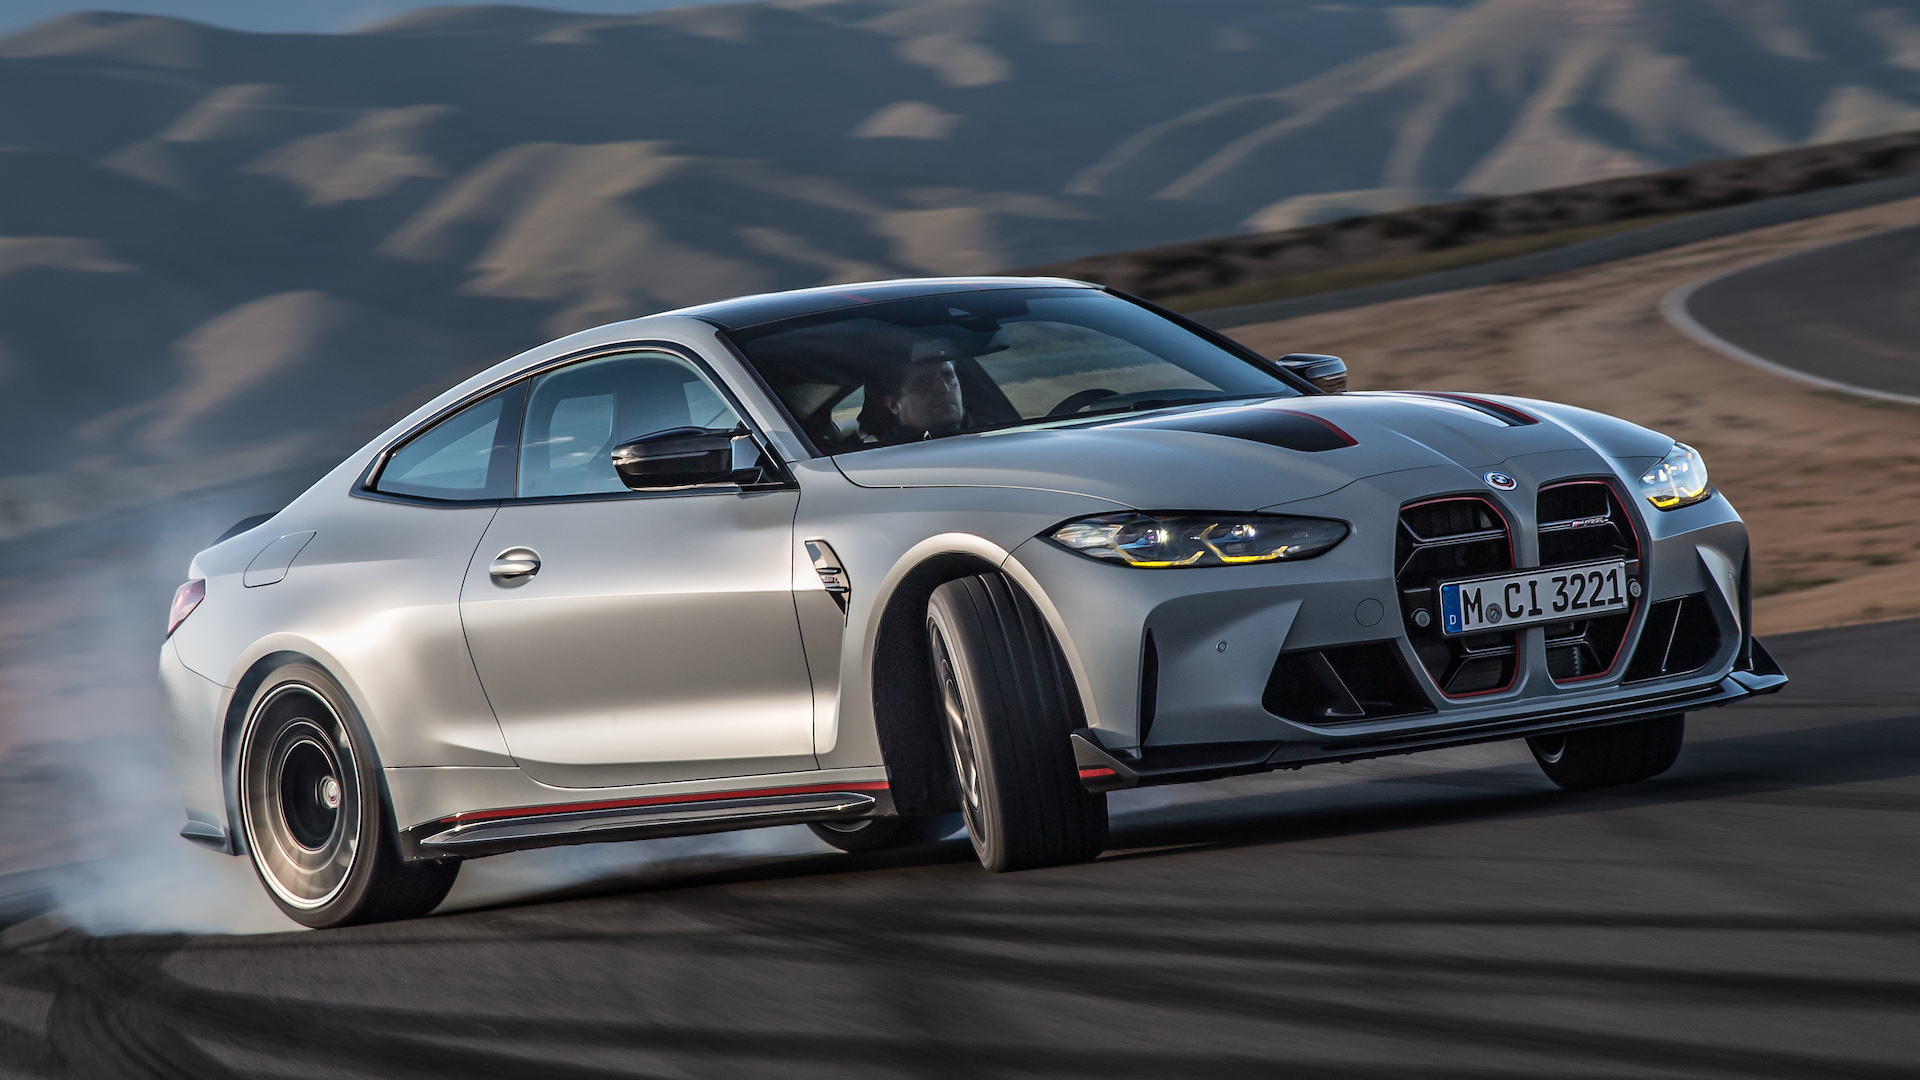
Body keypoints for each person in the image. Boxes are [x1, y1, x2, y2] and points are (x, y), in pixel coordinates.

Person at [862, 337, 968, 443]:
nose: (944, 389)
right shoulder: (889, 456)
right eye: (923, 382)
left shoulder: (980, 438)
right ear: (894, 404)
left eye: (948, 376)